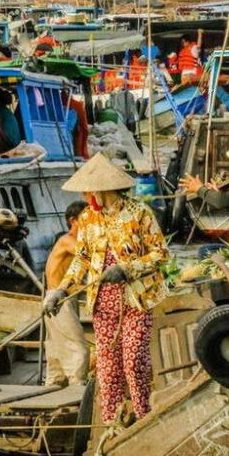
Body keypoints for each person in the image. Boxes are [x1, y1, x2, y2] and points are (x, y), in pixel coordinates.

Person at [43, 153, 169, 425]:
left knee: (134, 361)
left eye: (90, 190)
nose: (87, 195)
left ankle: (143, 418)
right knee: (108, 368)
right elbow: (82, 260)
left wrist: (126, 269)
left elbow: (161, 254)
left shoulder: (139, 213)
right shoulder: (88, 218)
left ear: (104, 190)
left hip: (136, 300)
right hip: (103, 304)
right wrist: (61, 291)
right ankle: (110, 423)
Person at [43, 201, 90, 387]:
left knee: (55, 348)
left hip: (65, 298)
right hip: (58, 299)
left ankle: (54, 385)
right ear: (73, 221)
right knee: (78, 348)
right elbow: (88, 254)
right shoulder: (67, 240)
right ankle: (78, 387)